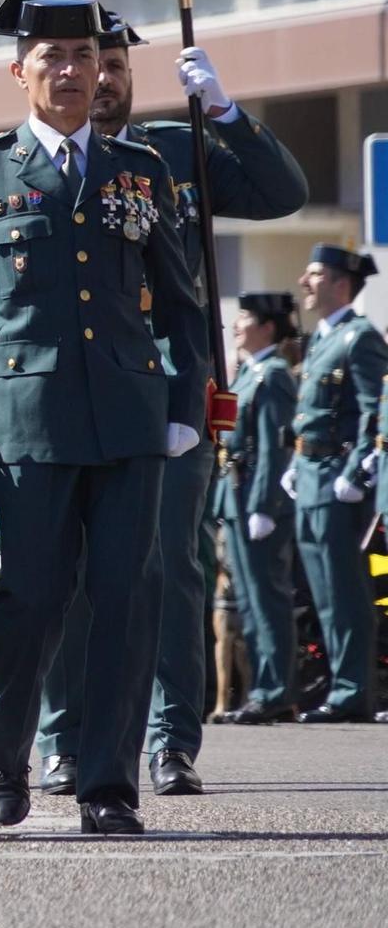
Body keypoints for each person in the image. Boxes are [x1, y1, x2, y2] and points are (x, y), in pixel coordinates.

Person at [0, 0, 205, 836]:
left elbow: (181, 301)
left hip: (131, 419)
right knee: (31, 596)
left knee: (129, 598)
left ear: (102, 71)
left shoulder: (143, 172)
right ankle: (5, 750)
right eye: (50, 58)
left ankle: (107, 784)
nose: (68, 71)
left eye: (83, 57)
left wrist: (184, 401)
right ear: (17, 72)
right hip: (27, 421)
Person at [19, 9, 308, 798]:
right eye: (89, 61)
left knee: (169, 568)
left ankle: (171, 740)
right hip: (75, 388)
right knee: (69, 569)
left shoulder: (173, 151)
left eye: (115, 64)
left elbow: (283, 193)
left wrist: (223, 112)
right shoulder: (33, 162)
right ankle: (64, 738)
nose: (102, 77)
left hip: (171, 389)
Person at [285, 245, 384, 723]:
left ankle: (353, 692)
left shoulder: (359, 337)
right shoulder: (324, 337)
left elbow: (375, 409)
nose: (305, 281)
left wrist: (357, 470)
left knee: (345, 592)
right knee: (324, 593)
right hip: (309, 478)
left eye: (315, 273)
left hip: (336, 481)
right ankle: (342, 684)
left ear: (342, 281)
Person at [214, 293, 301, 724]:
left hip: (256, 498)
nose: (236, 324)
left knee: (268, 598)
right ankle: (261, 690)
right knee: (248, 600)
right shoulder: (250, 372)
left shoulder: (274, 375)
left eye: (245, 316)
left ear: (268, 326)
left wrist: (266, 504)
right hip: (237, 495)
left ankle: (276, 690)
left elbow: (273, 448)